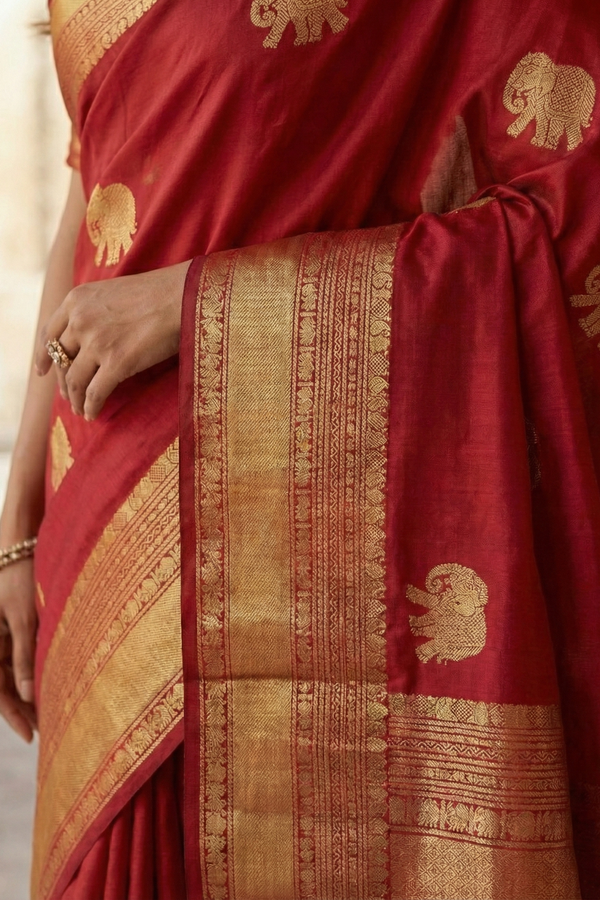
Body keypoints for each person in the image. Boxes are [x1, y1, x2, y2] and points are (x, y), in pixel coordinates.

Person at [0, 0, 599, 897]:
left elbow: (577, 211)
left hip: (303, 527)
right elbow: (100, 191)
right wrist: (18, 527)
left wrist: (195, 304)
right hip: (100, 540)